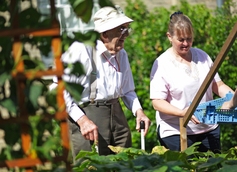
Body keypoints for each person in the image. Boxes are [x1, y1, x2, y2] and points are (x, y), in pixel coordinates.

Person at [50, 6, 150, 161]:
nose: (126, 34)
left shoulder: (121, 53)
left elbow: (127, 90)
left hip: (117, 115)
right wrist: (82, 120)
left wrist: (139, 111)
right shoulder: (81, 51)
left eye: (127, 29)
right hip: (87, 116)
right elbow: (58, 88)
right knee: (91, 165)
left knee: (125, 163)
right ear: (104, 33)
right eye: (121, 29)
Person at [150, 11, 236, 153]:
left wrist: (233, 98)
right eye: (181, 40)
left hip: (208, 127)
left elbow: (217, 85)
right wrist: (183, 113)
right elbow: (157, 102)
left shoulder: (202, 56)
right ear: (169, 37)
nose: (186, 44)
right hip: (176, 131)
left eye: (189, 39)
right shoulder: (162, 63)